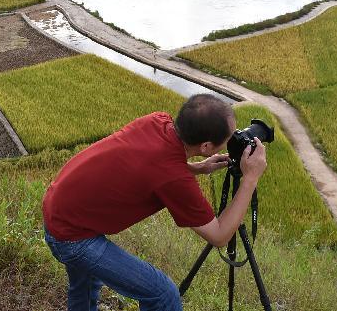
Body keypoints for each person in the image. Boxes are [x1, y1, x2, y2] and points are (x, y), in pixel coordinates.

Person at [42, 94, 268, 311]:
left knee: (86, 286)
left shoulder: (157, 120)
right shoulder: (174, 178)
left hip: (59, 205)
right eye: (229, 138)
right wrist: (250, 178)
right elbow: (219, 236)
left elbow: (149, 161)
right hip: (72, 237)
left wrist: (196, 167)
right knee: (163, 293)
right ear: (206, 147)